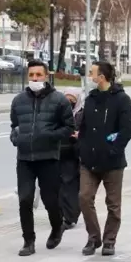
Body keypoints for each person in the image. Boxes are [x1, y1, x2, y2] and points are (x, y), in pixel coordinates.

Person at [9, 60, 75, 256]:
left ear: (46, 76)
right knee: (25, 199)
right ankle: (28, 241)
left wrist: (50, 136)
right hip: (25, 159)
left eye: (38, 75)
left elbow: (69, 128)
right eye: (31, 75)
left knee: (50, 200)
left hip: (48, 158)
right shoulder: (19, 100)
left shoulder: (59, 100)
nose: (35, 79)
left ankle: (57, 227)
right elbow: (14, 125)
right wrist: (16, 137)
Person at [79, 61, 131, 256]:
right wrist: (82, 149)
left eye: (92, 72)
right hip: (89, 160)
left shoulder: (121, 99)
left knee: (113, 204)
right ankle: (94, 238)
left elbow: (127, 129)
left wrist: (114, 149)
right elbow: (84, 126)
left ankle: (109, 240)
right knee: (84, 198)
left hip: (112, 162)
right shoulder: (91, 98)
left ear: (101, 77)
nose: (89, 75)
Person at [60, 87, 84, 230]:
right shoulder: (59, 113)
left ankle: (70, 217)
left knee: (71, 187)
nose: (69, 103)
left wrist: (79, 135)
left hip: (76, 154)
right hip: (60, 152)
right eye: (66, 100)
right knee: (60, 186)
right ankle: (63, 215)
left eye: (72, 100)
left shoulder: (83, 114)